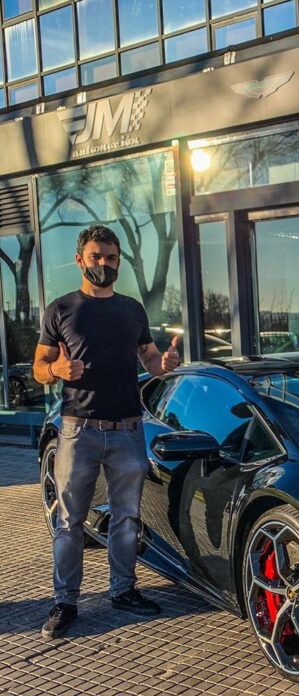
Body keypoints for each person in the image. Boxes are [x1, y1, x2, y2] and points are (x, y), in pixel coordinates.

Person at [33, 225, 181, 640]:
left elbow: (150, 359)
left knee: (127, 519)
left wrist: (163, 365)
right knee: (70, 521)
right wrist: (57, 371)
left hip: (128, 430)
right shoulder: (62, 310)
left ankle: (123, 590)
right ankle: (65, 602)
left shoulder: (132, 309)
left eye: (112, 257)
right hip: (77, 431)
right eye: (97, 256)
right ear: (81, 259)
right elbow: (39, 367)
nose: (105, 264)